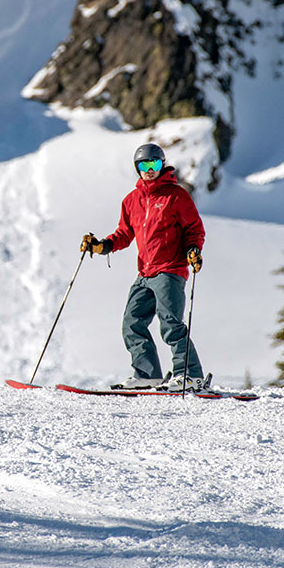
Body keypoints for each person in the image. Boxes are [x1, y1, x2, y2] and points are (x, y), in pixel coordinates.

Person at [80, 143, 207, 391]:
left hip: (170, 269)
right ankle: (147, 375)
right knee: (132, 323)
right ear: (137, 168)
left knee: (170, 323)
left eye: (155, 164)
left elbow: (194, 230)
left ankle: (190, 375)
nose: (149, 170)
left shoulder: (176, 196)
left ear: (162, 165)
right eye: (144, 165)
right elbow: (124, 234)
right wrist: (102, 246)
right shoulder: (131, 201)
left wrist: (194, 250)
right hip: (145, 273)